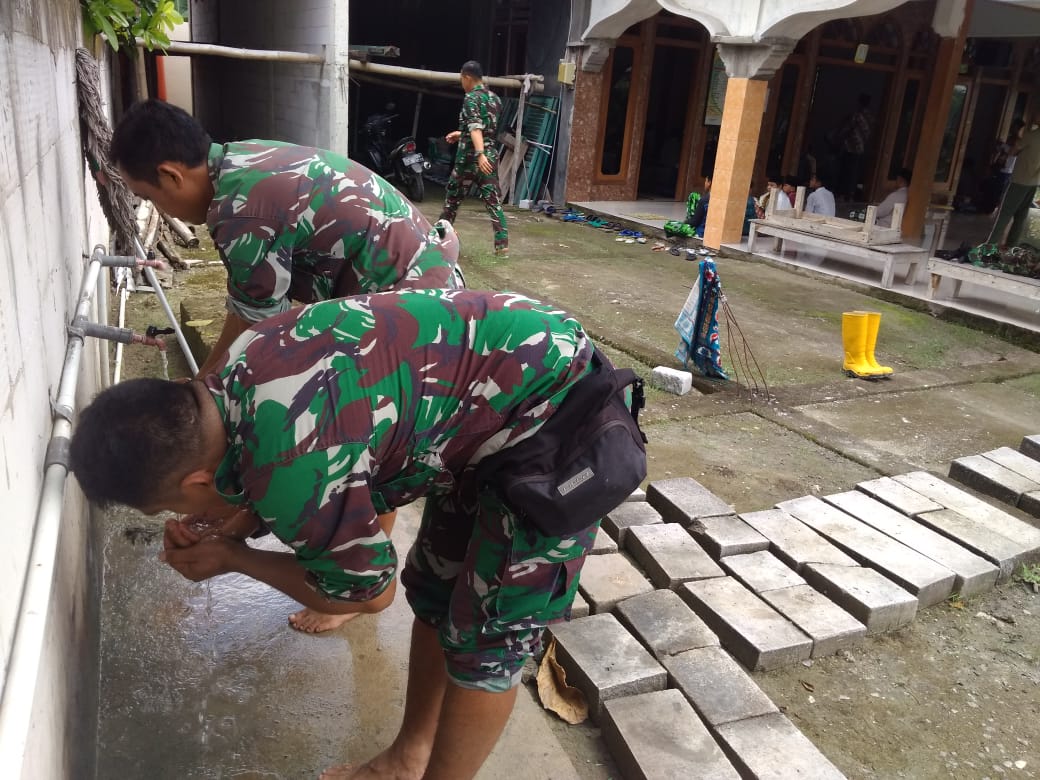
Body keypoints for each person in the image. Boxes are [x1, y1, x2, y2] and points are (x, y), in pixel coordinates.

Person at [69, 289, 630, 780]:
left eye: (172, 504)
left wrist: (233, 558)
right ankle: (409, 755)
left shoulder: (287, 462)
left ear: (194, 479)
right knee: (437, 588)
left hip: (557, 414)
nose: (183, 514)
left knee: (489, 642)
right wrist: (235, 521)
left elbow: (365, 595)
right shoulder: (238, 370)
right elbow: (288, 461)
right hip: (492, 397)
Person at [109, 99, 462, 382]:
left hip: (419, 312)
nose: (159, 208)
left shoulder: (240, 210)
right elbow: (249, 305)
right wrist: (208, 378)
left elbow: (259, 329)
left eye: (149, 195)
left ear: (171, 175)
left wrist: (204, 388)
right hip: (434, 279)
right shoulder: (242, 161)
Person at [440, 60, 508, 256]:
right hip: (490, 157)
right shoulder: (495, 99)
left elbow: (476, 128)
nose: (462, 83)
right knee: (493, 202)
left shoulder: (471, 98)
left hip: (469, 160)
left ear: (467, 77)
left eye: (462, 79)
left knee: (452, 199)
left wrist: (479, 155)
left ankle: (439, 238)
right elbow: (484, 131)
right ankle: (502, 245)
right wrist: (460, 133)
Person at [989, 123, 1040, 247]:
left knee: (1004, 213)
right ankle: (1011, 246)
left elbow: (1013, 151)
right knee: (1021, 215)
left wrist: (1019, 136)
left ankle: (989, 245)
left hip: (1019, 180)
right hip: (1033, 182)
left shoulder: (1032, 135)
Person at [835, 93, 874, 201]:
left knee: (847, 172)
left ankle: (844, 194)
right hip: (861, 149)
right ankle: (851, 194)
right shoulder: (870, 117)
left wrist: (839, 137)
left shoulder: (857, 115)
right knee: (855, 173)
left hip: (851, 148)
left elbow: (848, 129)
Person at [990, 119, 1026, 214]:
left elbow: (1013, 153)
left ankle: (995, 209)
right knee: (994, 189)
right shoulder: (1010, 138)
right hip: (1000, 166)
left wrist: (1003, 147)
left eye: (1014, 127)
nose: (1012, 128)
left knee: (1000, 191)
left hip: (1008, 170)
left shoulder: (1019, 141)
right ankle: (990, 208)